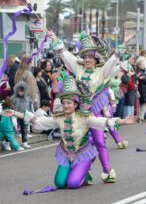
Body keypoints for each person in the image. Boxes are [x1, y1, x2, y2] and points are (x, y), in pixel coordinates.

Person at [2, 76, 137, 189]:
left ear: (76, 104)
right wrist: (15, 113)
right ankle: (76, 170)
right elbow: (38, 121)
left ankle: (84, 171)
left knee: (72, 184)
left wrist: (122, 121)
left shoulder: (84, 117)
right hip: (66, 154)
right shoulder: (59, 118)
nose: (66, 105)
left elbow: (102, 122)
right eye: (64, 103)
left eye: (69, 103)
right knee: (60, 184)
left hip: (83, 153)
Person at [48, 31, 126, 182]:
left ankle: (107, 171)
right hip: (78, 114)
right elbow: (66, 56)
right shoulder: (79, 69)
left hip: (93, 112)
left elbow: (111, 63)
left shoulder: (101, 71)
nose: (87, 60)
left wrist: (120, 49)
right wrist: (57, 40)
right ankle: (83, 171)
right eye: (85, 57)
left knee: (98, 142)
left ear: (96, 59)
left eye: (90, 57)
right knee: (78, 144)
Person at [11, 82, 34, 148]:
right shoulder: (14, 98)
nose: (21, 93)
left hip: (25, 114)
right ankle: (11, 143)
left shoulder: (28, 98)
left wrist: (32, 114)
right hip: (16, 115)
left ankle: (25, 142)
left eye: (22, 91)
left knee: (24, 129)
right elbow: (11, 106)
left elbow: (31, 107)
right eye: (20, 91)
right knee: (14, 129)